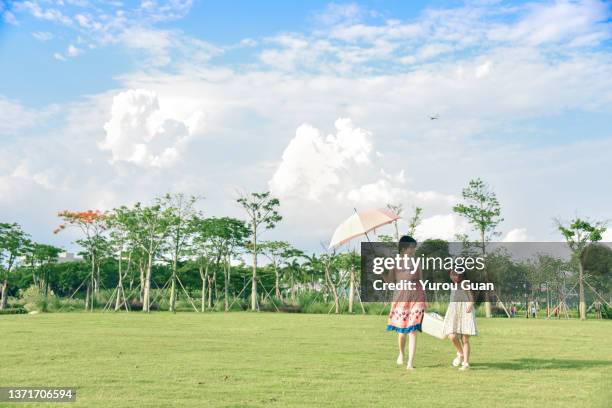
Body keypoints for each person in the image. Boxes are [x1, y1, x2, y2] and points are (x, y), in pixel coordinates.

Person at [386, 235, 426, 370]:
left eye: (414, 247)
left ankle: (410, 363)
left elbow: (421, 280)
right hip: (401, 297)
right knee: (402, 332)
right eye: (411, 247)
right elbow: (390, 282)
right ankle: (401, 353)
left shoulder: (416, 262)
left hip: (416, 296)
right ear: (404, 248)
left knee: (413, 330)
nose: (413, 250)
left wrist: (425, 298)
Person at [443, 270, 477, 371]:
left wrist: (470, 304)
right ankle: (461, 353)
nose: (455, 277)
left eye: (457, 274)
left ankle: (466, 363)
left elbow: (471, 297)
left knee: (465, 339)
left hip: (466, 312)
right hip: (454, 313)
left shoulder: (465, 283)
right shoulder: (453, 285)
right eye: (453, 274)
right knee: (452, 335)